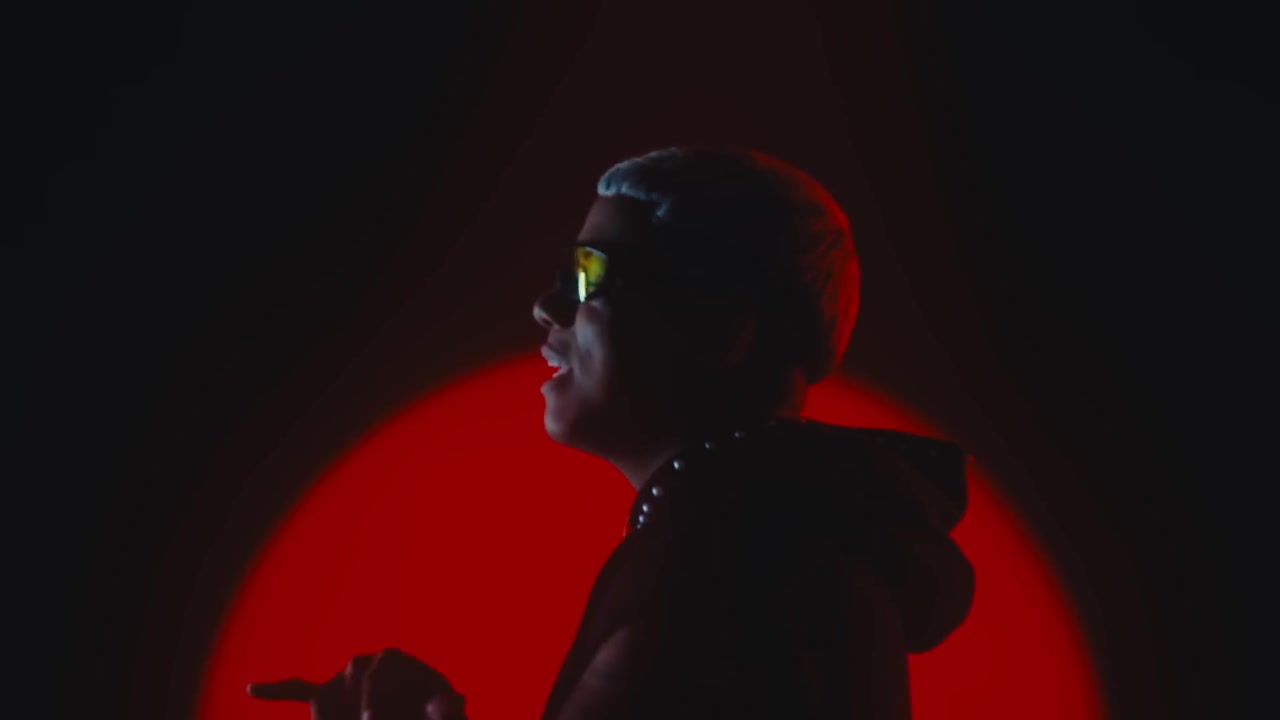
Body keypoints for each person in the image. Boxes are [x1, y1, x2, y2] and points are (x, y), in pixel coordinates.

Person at [248, 146, 975, 720]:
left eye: (587, 274)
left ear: (725, 326)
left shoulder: (716, 563)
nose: (546, 307)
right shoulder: (779, 536)